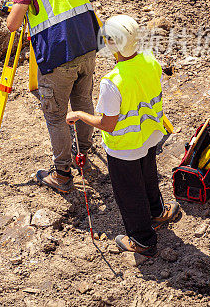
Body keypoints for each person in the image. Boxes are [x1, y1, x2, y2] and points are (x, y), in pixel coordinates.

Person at [66, 15, 180, 257]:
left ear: (111, 44)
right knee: (148, 178)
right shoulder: (150, 61)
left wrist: (79, 115)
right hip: (149, 137)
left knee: (130, 193)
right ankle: (158, 212)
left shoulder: (113, 82)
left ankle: (143, 240)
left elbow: (107, 124)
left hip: (124, 147)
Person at [6, 0, 99, 194]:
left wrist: (18, 6)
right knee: (82, 101)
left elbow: (13, 25)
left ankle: (62, 174)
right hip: (87, 44)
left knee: (56, 118)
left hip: (58, 57)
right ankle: (83, 152)